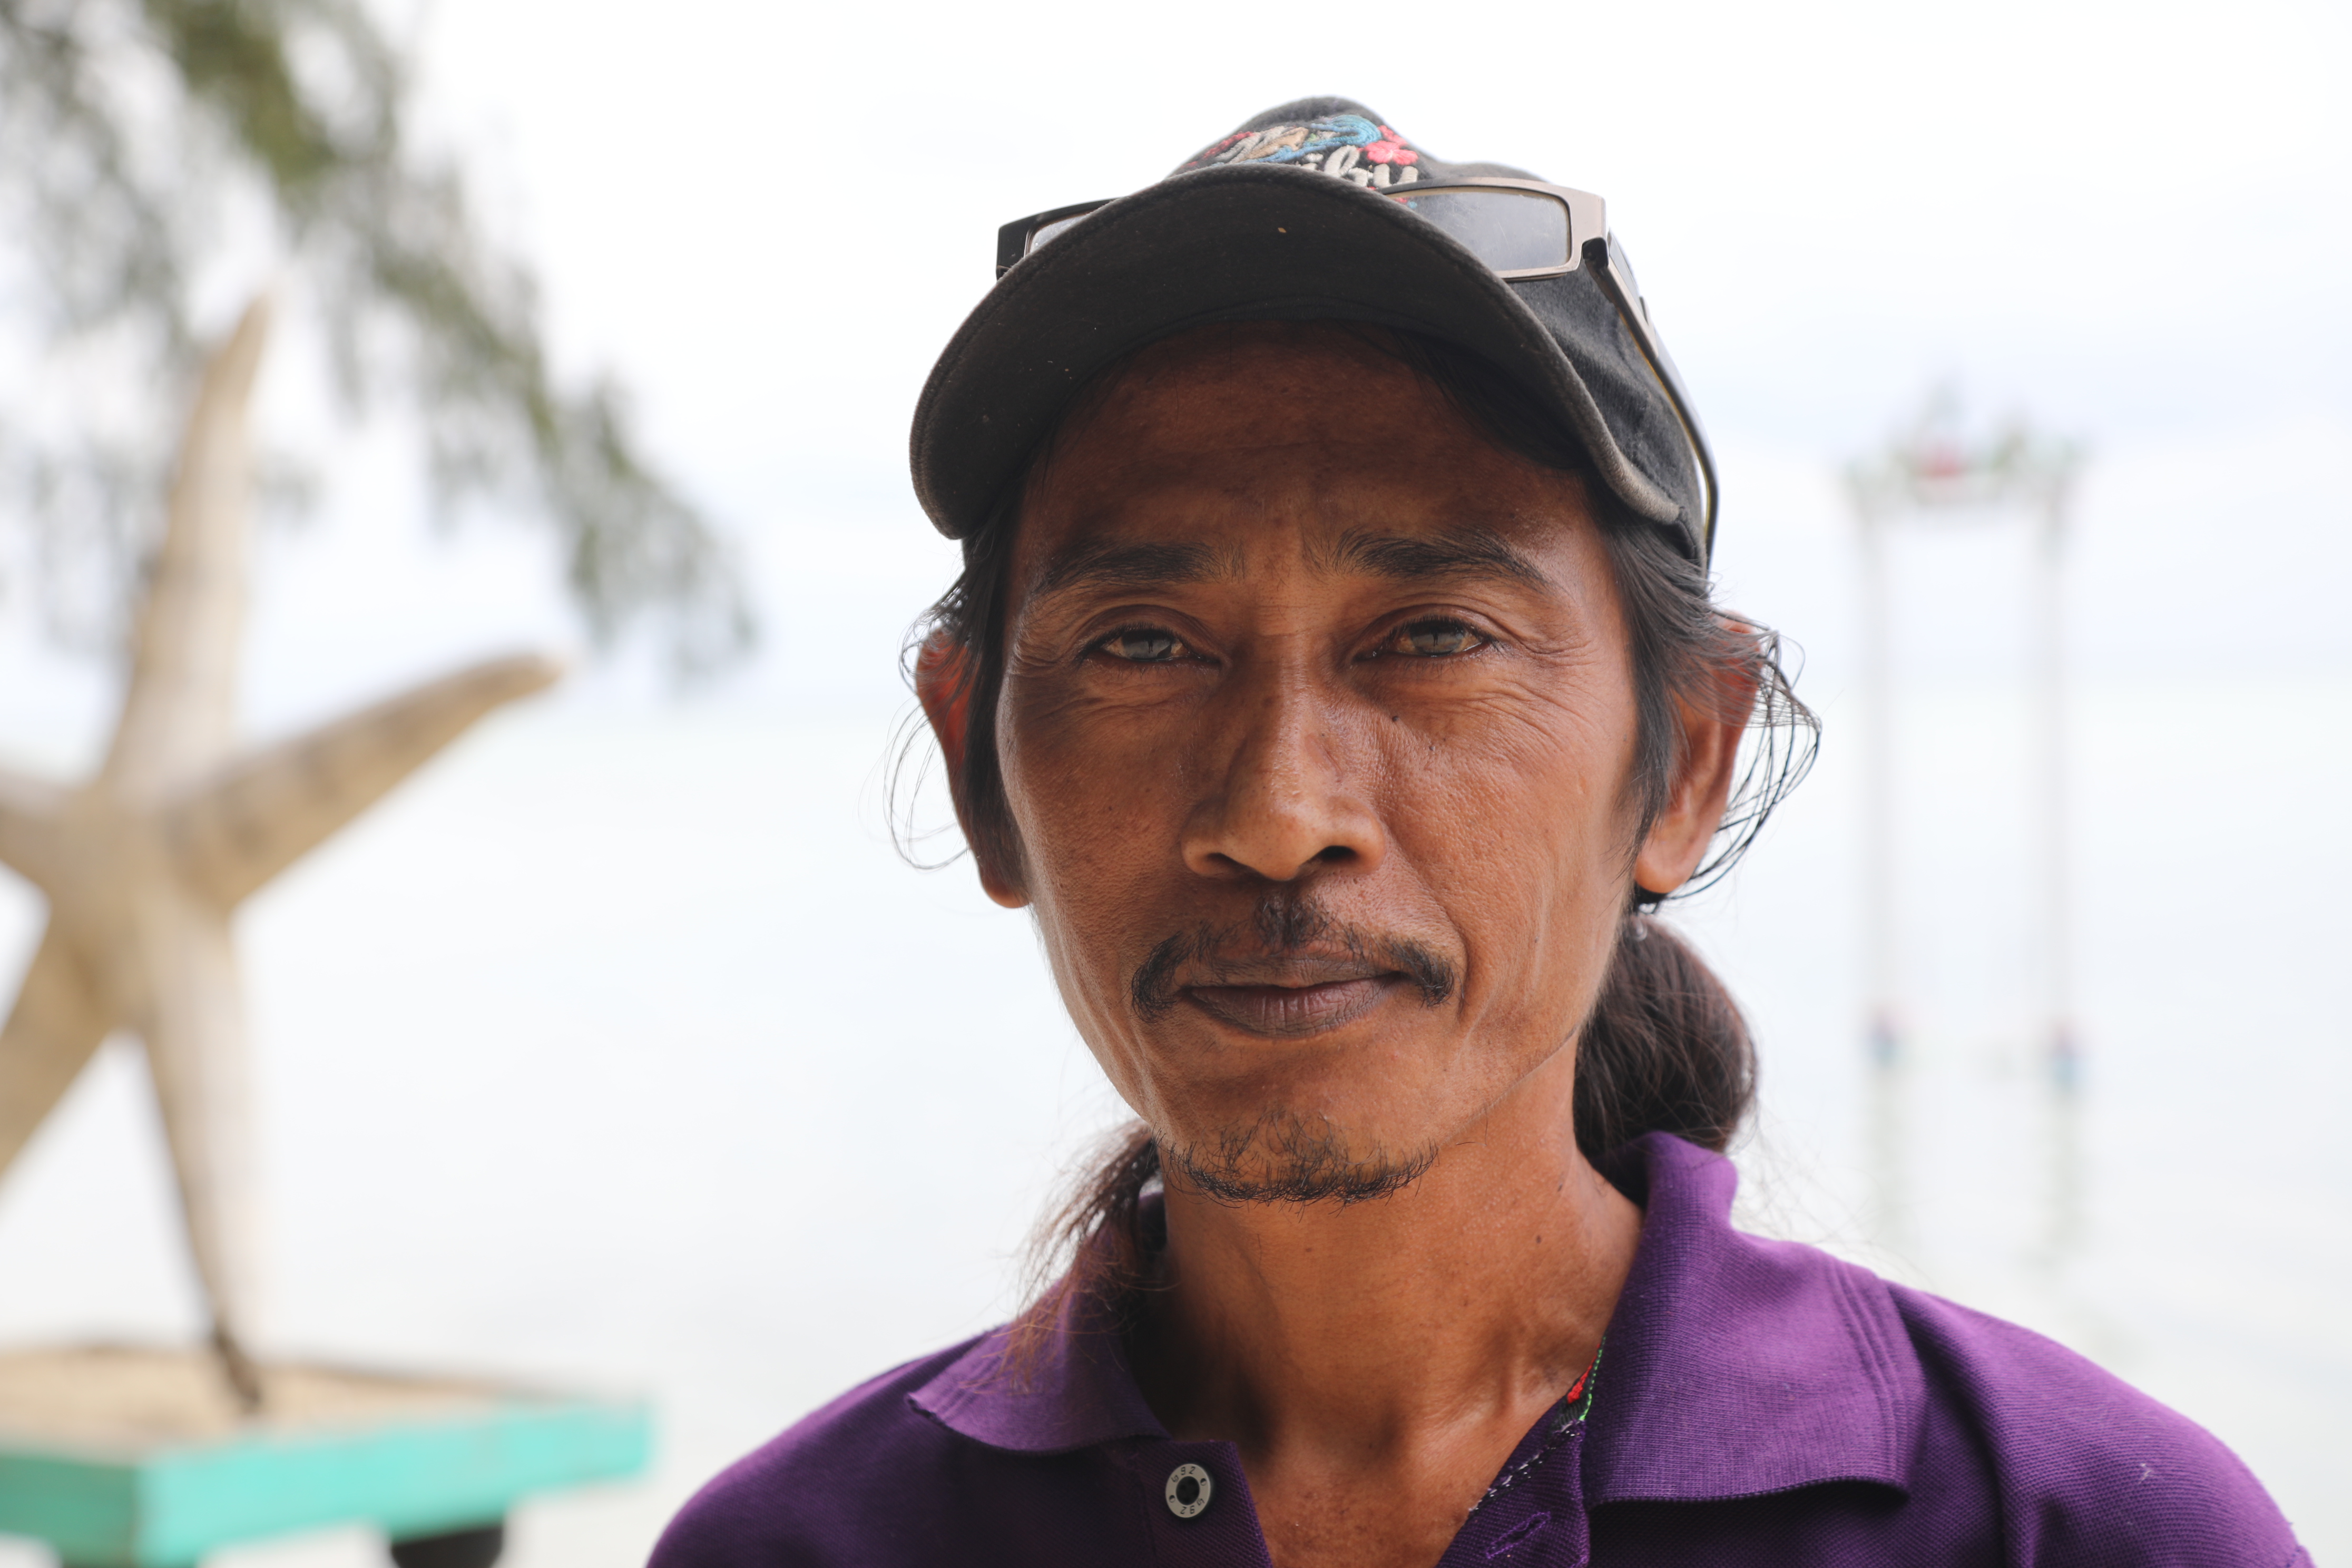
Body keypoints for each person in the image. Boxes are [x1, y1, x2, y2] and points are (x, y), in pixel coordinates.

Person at [650, 99, 2303, 1567]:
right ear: (976, 769)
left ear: (1685, 768)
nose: (1281, 817)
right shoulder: (807, 1542)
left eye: (1434, 636)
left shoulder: (2066, 1526)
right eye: (1143, 643)